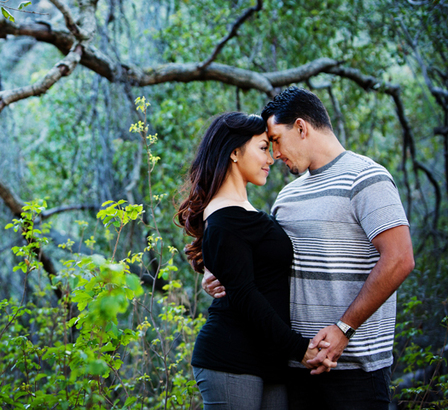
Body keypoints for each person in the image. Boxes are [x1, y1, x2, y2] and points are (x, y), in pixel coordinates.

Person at [203, 87, 415, 410]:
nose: (273, 154)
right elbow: (259, 263)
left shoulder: (367, 178)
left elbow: (400, 259)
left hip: (356, 371)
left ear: (301, 128)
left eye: (274, 140)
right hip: (296, 370)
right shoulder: (286, 197)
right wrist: (215, 275)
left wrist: (344, 328)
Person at [175, 111, 332, 410]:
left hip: (270, 357)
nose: (271, 158)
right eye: (263, 147)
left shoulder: (241, 212)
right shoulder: (224, 219)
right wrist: (301, 349)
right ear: (234, 152)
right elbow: (245, 295)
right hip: (232, 358)